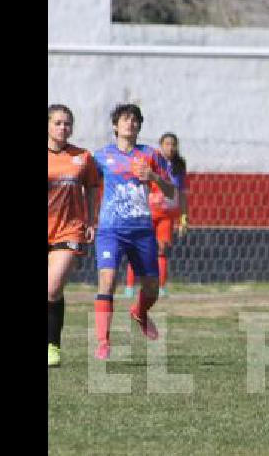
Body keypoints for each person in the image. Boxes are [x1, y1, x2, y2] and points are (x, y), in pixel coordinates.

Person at [91, 104, 180, 360]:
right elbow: (86, 184)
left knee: (151, 288)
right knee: (107, 281)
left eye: (135, 120)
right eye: (125, 119)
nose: (130, 123)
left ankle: (139, 312)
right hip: (110, 230)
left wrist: (153, 176)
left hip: (142, 230)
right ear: (115, 126)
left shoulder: (150, 155)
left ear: (139, 126)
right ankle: (103, 342)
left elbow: (171, 192)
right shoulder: (101, 157)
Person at [48, 104, 101, 367]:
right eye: (58, 123)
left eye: (67, 123)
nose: (63, 128)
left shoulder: (83, 157)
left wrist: (92, 219)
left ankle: (52, 347)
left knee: (52, 287)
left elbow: (92, 188)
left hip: (69, 229)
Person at [124, 132, 189, 298]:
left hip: (166, 214)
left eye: (173, 144)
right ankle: (130, 287)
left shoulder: (179, 167)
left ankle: (161, 287)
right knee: (138, 248)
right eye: (167, 144)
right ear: (160, 145)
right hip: (147, 212)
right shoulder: (153, 160)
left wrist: (183, 218)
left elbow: (181, 194)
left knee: (161, 249)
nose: (170, 147)